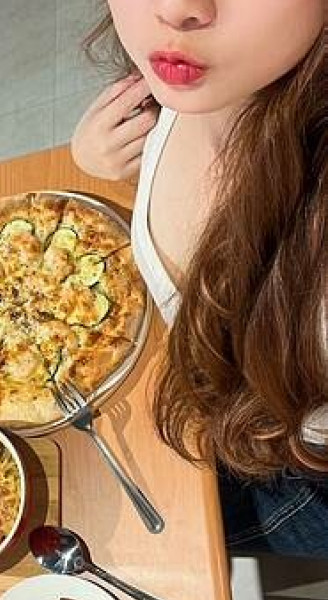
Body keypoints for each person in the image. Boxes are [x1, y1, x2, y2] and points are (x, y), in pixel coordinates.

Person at [71, 1, 328, 557]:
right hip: (203, 408)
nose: (174, 9)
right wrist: (114, 160)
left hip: (296, 479)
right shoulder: (198, 81)